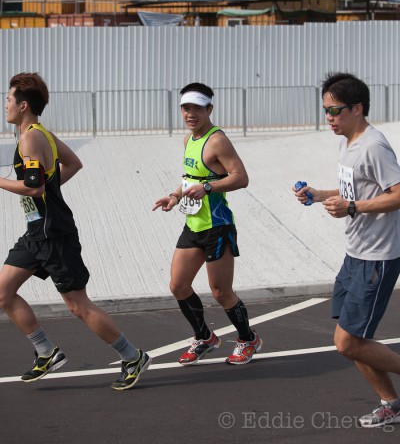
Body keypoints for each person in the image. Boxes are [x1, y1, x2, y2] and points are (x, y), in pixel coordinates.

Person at [0, 72, 151, 390]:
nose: (5, 105)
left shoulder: (30, 139)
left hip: (53, 233)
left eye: (8, 99)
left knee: (77, 305)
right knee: (3, 292)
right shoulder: (42, 134)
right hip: (36, 232)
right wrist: (51, 191)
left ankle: (132, 356)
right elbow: (72, 165)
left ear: (23, 105)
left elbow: (34, 188)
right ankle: (46, 352)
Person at [294, 72, 400, 428]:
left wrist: (352, 208)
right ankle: (390, 403)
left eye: (335, 110)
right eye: (325, 110)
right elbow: (359, 190)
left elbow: (398, 194)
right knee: (354, 339)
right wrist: (320, 194)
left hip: (377, 257)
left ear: (358, 108)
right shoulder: (348, 143)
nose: (329, 117)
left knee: (347, 343)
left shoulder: (373, 146)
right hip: (355, 253)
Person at [152, 83, 262, 365]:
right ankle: (205, 337)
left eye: (197, 108)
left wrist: (209, 188)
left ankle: (248, 339)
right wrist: (174, 196)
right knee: (178, 285)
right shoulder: (188, 140)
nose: (191, 114)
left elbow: (241, 177)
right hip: (193, 225)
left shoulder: (217, 141)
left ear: (209, 109)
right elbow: (191, 178)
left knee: (221, 292)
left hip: (218, 227)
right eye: (186, 108)